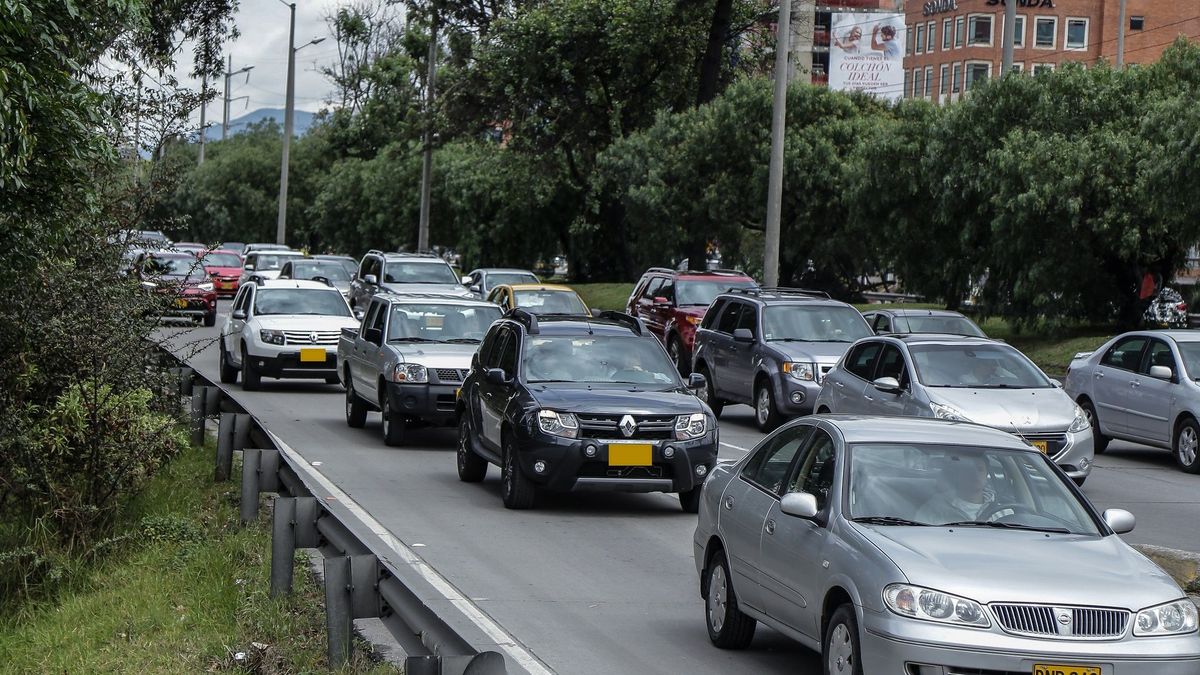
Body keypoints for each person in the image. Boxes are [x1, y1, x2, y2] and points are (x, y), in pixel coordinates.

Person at [916, 455, 996, 524]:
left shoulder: (998, 507)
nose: (976, 474)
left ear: (986, 474)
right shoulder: (934, 508)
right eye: (969, 469)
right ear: (958, 474)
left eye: (980, 469)